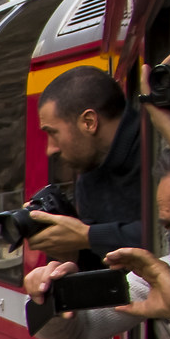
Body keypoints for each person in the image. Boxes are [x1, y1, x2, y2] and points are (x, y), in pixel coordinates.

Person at [27, 65, 143, 258]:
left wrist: (88, 236)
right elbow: (99, 261)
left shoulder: (157, 148)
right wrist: (66, 260)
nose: (50, 150)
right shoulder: (91, 168)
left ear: (89, 122)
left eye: (52, 133)